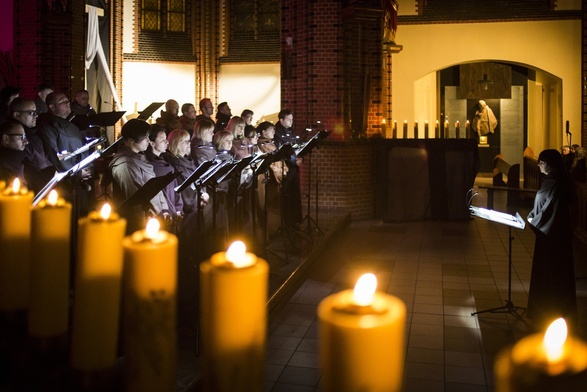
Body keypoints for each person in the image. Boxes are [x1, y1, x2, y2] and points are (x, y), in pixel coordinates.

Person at [526, 149, 577, 331]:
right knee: (542, 275)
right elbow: (541, 205)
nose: (538, 164)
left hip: (554, 239)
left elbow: (552, 213)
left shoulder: (559, 184)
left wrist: (535, 221)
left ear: (552, 164)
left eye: (542, 161)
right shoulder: (548, 181)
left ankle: (551, 311)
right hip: (545, 238)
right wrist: (533, 215)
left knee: (553, 276)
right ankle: (540, 310)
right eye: (538, 160)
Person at [109, 119, 170, 234]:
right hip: (140, 224)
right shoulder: (124, 164)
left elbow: (155, 186)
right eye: (144, 137)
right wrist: (148, 222)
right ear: (132, 140)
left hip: (154, 218)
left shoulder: (140, 157)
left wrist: (164, 210)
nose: (148, 140)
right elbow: (134, 200)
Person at [10, 97, 55, 193]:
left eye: (36, 112)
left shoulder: (33, 134)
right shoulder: (15, 138)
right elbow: (32, 168)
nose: (36, 116)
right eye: (31, 113)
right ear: (17, 115)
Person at [145, 125, 184, 230]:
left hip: (173, 210)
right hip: (163, 214)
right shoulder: (150, 166)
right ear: (152, 143)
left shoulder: (167, 161)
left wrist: (179, 208)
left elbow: (175, 188)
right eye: (162, 140)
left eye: (166, 139)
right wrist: (167, 211)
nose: (167, 142)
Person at [274, 109, 303, 227]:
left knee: (295, 193)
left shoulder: (290, 131)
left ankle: (295, 220)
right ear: (281, 120)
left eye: (292, 119)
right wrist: (294, 160)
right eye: (289, 119)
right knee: (287, 195)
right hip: (286, 168)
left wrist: (300, 158)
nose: (292, 121)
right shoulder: (277, 134)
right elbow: (282, 152)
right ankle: (287, 222)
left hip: (294, 167)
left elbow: (296, 147)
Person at [0, 119, 28, 185]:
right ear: (6, 139)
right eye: (21, 137)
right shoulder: (5, 168)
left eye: (25, 136)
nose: (26, 141)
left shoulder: (18, 161)